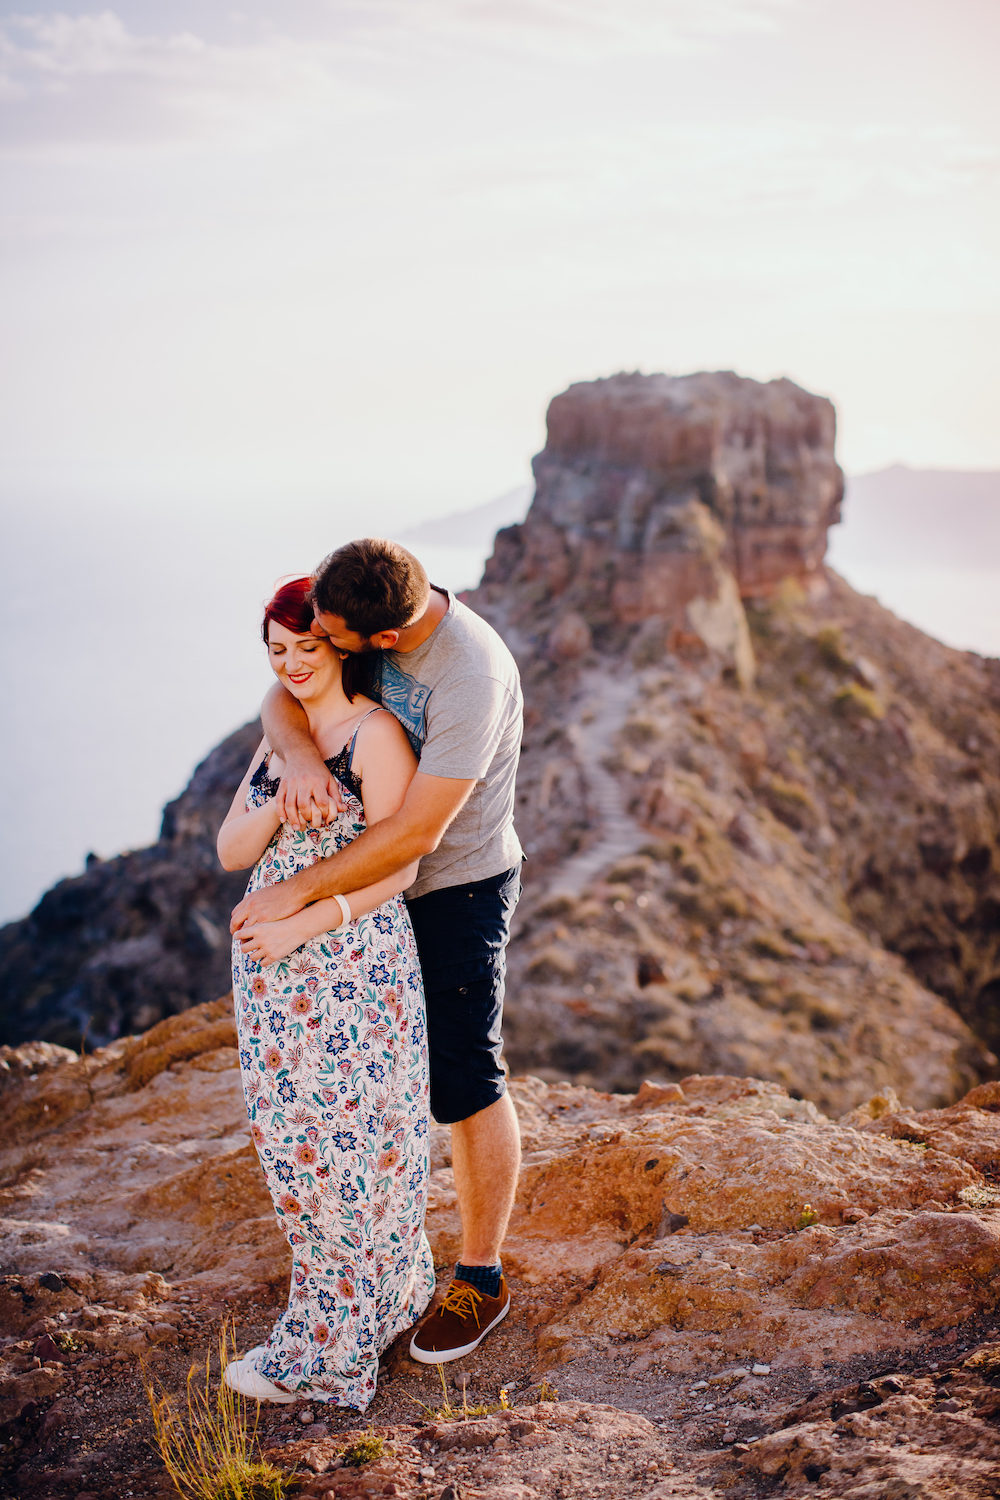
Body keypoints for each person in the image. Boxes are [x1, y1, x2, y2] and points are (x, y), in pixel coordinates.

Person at [230, 537, 523, 1365]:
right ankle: (379, 1269)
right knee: (362, 1084)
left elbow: (413, 837)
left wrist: (298, 892)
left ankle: (480, 1277)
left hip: (454, 886)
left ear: (382, 641)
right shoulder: (370, 599)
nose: (315, 646)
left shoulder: (470, 680)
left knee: (463, 1074)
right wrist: (291, 755)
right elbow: (281, 693)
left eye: (328, 637)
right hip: (366, 890)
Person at [218, 577, 435, 1409]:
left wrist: (310, 920)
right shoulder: (285, 736)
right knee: (295, 1148)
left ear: (339, 645)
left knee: (356, 1149)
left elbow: (404, 863)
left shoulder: (377, 735)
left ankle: (334, 1342)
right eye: (278, 652)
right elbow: (231, 850)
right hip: (274, 981)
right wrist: (287, 779)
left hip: (352, 967)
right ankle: (361, 1302)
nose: (293, 665)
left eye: (307, 647)